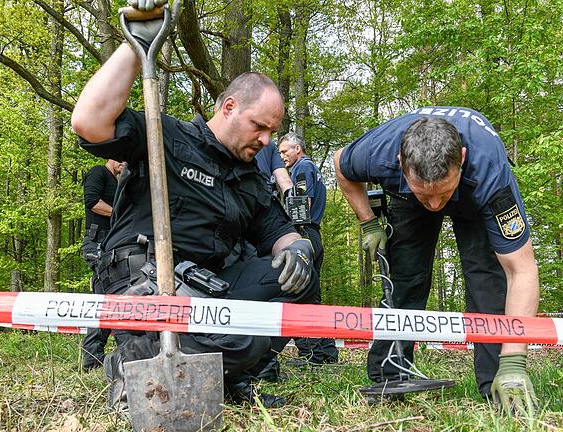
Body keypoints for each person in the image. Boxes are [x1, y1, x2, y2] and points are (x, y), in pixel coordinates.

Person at [71, 30, 319, 409]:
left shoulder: (249, 178)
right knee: (243, 338)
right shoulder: (165, 135)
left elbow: (280, 234)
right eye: (259, 126)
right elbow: (89, 121)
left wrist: (299, 250)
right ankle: (131, 361)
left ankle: (230, 377)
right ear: (230, 107)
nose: (268, 141)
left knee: (299, 277)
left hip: (208, 287)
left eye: (273, 131)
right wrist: (135, 45)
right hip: (141, 281)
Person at [333, 107, 539, 414]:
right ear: (400, 163)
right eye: (425, 193)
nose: (434, 205)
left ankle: (500, 380)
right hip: (406, 197)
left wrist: (515, 360)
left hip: (473, 196)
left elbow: (521, 269)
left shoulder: (489, 170)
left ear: (463, 159)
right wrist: (368, 222)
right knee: (405, 278)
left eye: (442, 194)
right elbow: (340, 164)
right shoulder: (379, 151)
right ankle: (391, 376)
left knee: (487, 280)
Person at [278, 133, 338, 365]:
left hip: (304, 233)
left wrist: (292, 233)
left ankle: (312, 353)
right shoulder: (312, 168)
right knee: (313, 295)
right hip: (313, 233)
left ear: (298, 149)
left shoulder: (302, 168)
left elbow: (302, 205)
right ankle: (326, 353)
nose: (282, 156)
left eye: (285, 151)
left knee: (299, 292)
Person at [80, 159, 124, 370]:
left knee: (114, 296)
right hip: (97, 242)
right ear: (112, 158)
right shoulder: (98, 172)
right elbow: (92, 201)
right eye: (122, 161)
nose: (125, 165)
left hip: (111, 243)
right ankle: (91, 357)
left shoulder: (117, 182)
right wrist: (119, 214)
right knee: (102, 297)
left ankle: (108, 354)